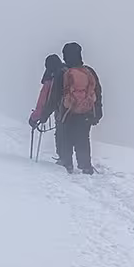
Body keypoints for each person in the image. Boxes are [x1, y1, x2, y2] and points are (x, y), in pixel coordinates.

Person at [53, 41, 102, 175]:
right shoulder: (89, 71)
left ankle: (66, 164)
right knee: (83, 138)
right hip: (86, 112)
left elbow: (54, 96)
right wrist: (97, 112)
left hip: (66, 113)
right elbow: (97, 92)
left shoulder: (62, 72)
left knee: (66, 138)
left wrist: (43, 116)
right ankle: (85, 166)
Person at [30, 53, 66, 163]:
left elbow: (43, 101)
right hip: (78, 110)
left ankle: (64, 160)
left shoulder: (51, 78)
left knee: (61, 134)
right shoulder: (67, 72)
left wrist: (36, 117)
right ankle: (85, 165)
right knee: (78, 136)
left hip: (61, 111)